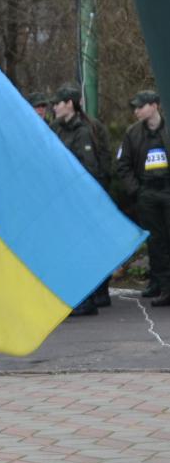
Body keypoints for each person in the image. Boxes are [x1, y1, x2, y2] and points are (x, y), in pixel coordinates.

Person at [52, 83, 112, 314]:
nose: (54, 107)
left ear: (70, 104)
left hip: (81, 200)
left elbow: (92, 168)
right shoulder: (57, 129)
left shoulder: (84, 130)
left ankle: (88, 300)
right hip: (65, 200)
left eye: (58, 103)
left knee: (84, 249)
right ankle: (82, 297)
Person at [116, 90, 170, 306]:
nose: (136, 111)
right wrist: (137, 191)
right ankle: (165, 287)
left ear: (154, 105)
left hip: (167, 190)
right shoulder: (133, 133)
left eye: (141, 106)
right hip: (147, 193)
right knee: (156, 243)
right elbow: (123, 164)